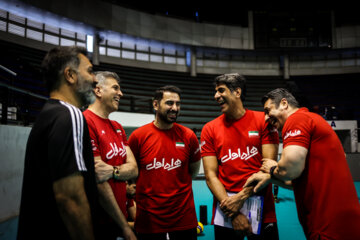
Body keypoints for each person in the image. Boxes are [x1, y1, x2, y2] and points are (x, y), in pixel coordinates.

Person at [244, 88, 360, 240]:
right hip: (340, 223)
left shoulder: (296, 119)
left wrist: (272, 168)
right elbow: (297, 180)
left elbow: (289, 169)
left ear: (284, 104)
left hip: (328, 227)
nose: (265, 118)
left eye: (268, 110)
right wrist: (271, 178)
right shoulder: (311, 119)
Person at [17, 46, 100, 239]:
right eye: (89, 71)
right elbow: (70, 198)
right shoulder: (70, 115)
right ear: (70, 75)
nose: (95, 79)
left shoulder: (48, 114)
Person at [200, 73, 280, 240]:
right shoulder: (209, 129)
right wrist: (234, 212)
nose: (216, 96)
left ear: (237, 92)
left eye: (221, 90)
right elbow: (210, 176)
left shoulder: (263, 121)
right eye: (215, 92)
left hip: (261, 208)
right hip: (226, 209)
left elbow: (267, 170)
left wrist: (240, 198)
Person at [128, 85, 201, 240]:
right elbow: (132, 172)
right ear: (156, 105)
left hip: (184, 220)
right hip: (149, 221)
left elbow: (193, 171)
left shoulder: (189, 136)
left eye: (178, 104)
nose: (174, 108)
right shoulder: (138, 137)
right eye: (169, 103)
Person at [83, 71, 138, 239]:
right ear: (98, 91)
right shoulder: (86, 121)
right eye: (115, 88)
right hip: (95, 223)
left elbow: (134, 169)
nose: (120, 93)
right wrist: (124, 226)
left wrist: (114, 171)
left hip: (115, 220)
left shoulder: (118, 127)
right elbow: (99, 178)